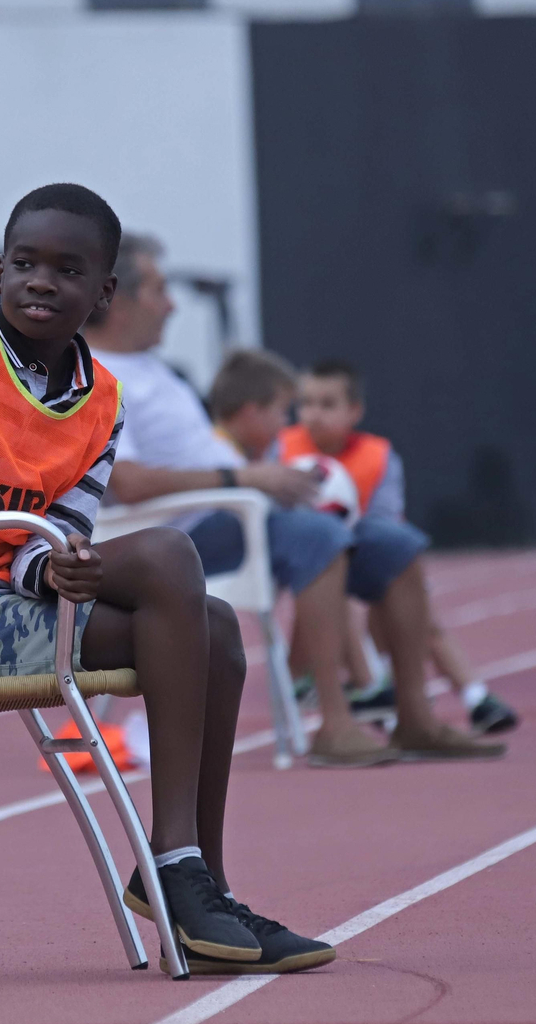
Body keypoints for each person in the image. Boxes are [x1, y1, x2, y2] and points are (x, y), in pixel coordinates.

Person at [0, 182, 334, 975]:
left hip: (15, 606)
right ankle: (177, 865)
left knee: (218, 628)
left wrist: (57, 564)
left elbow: (50, 543)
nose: (41, 281)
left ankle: (198, 883)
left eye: (67, 268)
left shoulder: (103, 401)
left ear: (104, 291)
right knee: (165, 556)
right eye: (24, 263)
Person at [87, 234, 502, 766]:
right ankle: (333, 721)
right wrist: (245, 477)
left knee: (393, 544)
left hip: (228, 515)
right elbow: (126, 483)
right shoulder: (98, 375)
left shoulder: (154, 369)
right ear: (119, 302)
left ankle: (416, 717)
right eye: (160, 290)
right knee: (317, 534)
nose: (172, 304)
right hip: (170, 536)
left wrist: (266, 478)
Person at [279, 359, 520, 736]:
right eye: (306, 403)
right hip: (311, 562)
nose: (314, 414)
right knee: (335, 586)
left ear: (354, 411)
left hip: (363, 549)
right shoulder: (283, 451)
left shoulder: (378, 456)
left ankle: (475, 696)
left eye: (327, 405)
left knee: (413, 607)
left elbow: (386, 520)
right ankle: (369, 687)